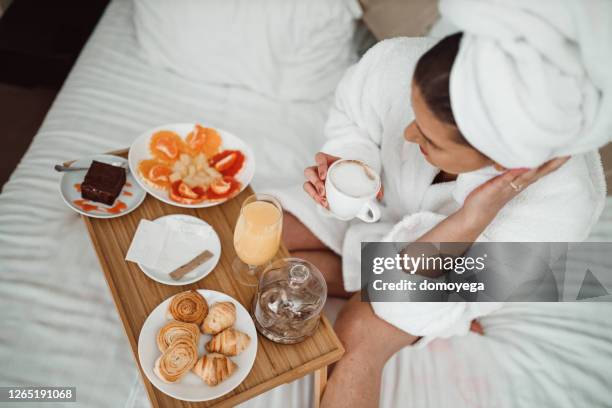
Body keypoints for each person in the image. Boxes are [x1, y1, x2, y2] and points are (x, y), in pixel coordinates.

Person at [270, 1, 610, 405]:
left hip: (438, 283)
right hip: (381, 210)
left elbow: (403, 296)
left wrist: (471, 217)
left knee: (353, 341)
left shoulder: (556, 212)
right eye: (414, 115)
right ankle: (354, 271)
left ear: (503, 161)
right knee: (259, 234)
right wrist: (353, 163)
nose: (410, 136)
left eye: (430, 140)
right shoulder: (413, 66)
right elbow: (354, 114)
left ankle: (379, 290)